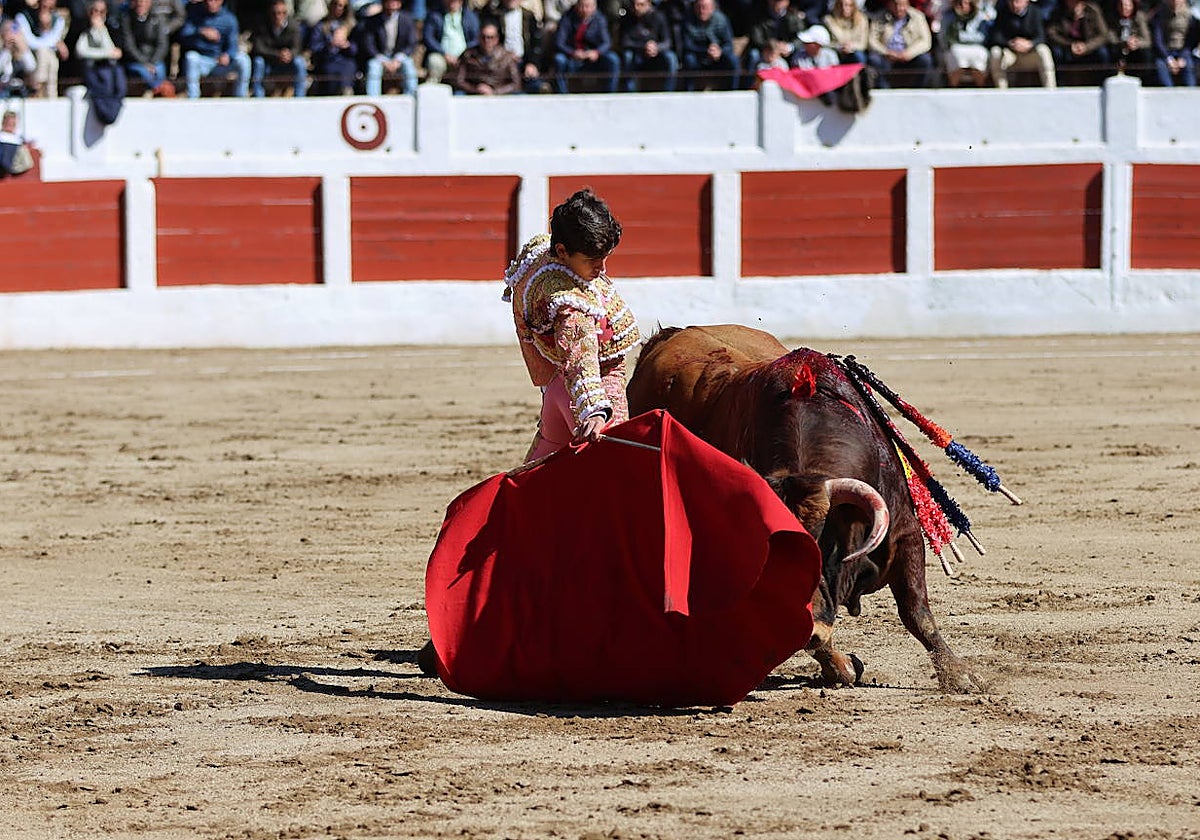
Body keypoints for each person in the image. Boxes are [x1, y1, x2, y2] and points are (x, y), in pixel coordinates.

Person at [502, 188, 641, 463]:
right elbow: (581, 359)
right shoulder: (569, 302)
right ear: (563, 251)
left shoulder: (540, 253)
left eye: (605, 257)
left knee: (534, 480)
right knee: (616, 476)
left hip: (556, 391)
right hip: (589, 394)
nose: (601, 268)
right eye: (591, 260)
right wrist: (595, 411)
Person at [179, 0, 251, 97]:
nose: (211, 3)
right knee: (191, 57)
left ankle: (241, 96)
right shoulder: (194, 14)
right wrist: (201, 31)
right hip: (202, 60)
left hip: (220, 63)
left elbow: (233, 44)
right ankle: (193, 97)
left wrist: (228, 55)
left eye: (215, 0)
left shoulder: (229, 19)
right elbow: (183, 33)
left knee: (243, 59)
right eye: (208, 0)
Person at [75, 0, 126, 122]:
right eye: (95, 11)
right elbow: (81, 51)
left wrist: (102, 30)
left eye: (102, 12)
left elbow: (113, 51)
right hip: (91, 70)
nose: (98, 15)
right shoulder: (82, 27)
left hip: (107, 70)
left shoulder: (111, 28)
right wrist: (106, 54)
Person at [552, 0, 619, 92]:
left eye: (587, 7)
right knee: (559, 59)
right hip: (572, 57)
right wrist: (572, 52)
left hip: (593, 57)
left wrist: (597, 52)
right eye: (582, 6)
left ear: (594, 7)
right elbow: (559, 42)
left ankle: (609, 94)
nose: (584, 10)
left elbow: (606, 42)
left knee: (613, 59)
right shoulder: (567, 18)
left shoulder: (600, 19)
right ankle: (562, 94)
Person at [987, 0, 1056, 87]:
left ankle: (1050, 89)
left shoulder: (1036, 12)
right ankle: (1002, 90)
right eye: (1011, 1)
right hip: (1010, 55)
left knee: (1043, 50)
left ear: (1026, 2)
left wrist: (1029, 44)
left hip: (1030, 54)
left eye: (1017, 1)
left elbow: (1041, 36)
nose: (1014, 4)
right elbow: (995, 37)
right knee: (995, 52)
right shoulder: (1002, 12)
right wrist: (1011, 43)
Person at [867, 0, 934, 87]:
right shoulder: (879, 17)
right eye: (895, 5)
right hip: (887, 57)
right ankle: (884, 90)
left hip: (909, 57)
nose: (899, 8)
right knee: (873, 59)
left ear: (907, 4)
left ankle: (918, 90)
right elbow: (872, 40)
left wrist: (909, 53)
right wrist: (886, 52)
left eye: (902, 5)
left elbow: (925, 41)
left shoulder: (918, 17)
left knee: (925, 59)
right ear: (889, 5)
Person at [483, 0, 544, 93]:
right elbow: (490, 41)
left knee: (535, 85)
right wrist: (506, 55)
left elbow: (536, 43)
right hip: (501, 63)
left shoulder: (528, 16)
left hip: (524, 61)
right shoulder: (494, 15)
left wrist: (532, 63)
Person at [360, 0, 418, 95]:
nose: (392, 4)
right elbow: (368, 44)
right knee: (373, 66)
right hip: (380, 57)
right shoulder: (372, 21)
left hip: (399, 56)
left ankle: (411, 96)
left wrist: (398, 59)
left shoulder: (407, 19)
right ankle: (374, 100)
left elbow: (412, 43)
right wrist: (383, 61)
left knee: (409, 66)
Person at [1045, 0, 1111, 84]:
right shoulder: (1058, 12)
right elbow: (1051, 33)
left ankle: (1102, 83)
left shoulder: (1093, 10)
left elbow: (1103, 35)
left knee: (1103, 53)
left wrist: (1087, 47)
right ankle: (1060, 84)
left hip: (1088, 46)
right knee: (1057, 53)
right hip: (1067, 46)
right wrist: (1070, 45)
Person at [618, 0, 677, 91]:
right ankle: (629, 91)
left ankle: (669, 92)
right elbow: (625, 41)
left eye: (641, 5)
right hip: (637, 53)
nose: (637, 8)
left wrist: (656, 47)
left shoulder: (659, 17)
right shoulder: (627, 18)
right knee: (627, 56)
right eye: (634, 5)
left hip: (657, 54)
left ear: (648, 4)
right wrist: (644, 46)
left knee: (671, 58)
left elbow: (667, 41)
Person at [251, 0, 307, 96]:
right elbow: (259, 47)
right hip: (270, 62)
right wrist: (277, 54)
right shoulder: (262, 26)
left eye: (281, 13)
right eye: (274, 13)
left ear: (286, 14)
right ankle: (258, 96)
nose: (278, 16)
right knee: (258, 62)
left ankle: (300, 97)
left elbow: (297, 48)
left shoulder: (293, 26)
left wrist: (289, 54)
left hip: (288, 63)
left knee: (300, 62)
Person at [679, 0, 737, 90]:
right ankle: (688, 92)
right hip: (698, 57)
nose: (702, 11)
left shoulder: (722, 20)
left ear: (712, 8)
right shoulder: (687, 21)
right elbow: (687, 45)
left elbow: (729, 44)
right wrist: (706, 50)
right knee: (688, 59)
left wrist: (719, 51)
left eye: (705, 7)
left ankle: (733, 92)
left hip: (718, 58)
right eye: (699, 7)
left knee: (733, 60)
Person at [449, 20, 521, 91]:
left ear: (496, 39)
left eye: (490, 37)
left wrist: (494, 92)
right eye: (483, 37)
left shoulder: (507, 57)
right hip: (473, 91)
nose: (487, 41)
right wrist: (475, 89)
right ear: (479, 38)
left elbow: (516, 83)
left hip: (499, 93)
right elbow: (459, 80)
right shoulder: (468, 55)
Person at [14, 0, 67, 97]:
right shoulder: (23, 17)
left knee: (48, 56)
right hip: (29, 58)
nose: (46, 10)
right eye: (44, 6)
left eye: (50, 8)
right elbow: (30, 42)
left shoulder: (59, 19)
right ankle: (39, 89)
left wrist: (46, 29)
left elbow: (55, 39)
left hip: (49, 58)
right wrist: (52, 41)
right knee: (43, 52)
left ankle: (49, 93)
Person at [118, 0, 171, 94]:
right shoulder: (127, 19)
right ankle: (159, 91)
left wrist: (152, 62)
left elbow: (162, 44)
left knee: (160, 70)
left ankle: (157, 92)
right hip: (136, 60)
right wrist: (144, 63)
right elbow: (129, 45)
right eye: (138, 2)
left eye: (144, 2)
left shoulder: (158, 18)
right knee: (145, 73)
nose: (141, 4)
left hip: (154, 59)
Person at [305, 0, 358, 94]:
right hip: (327, 60)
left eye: (341, 6)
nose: (338, 8)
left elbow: (356, 49)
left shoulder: (352, 26)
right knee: (329, 72)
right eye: (335, 4)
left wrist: (346, 45)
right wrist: (330, 45)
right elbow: (314, 47)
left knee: (348, 71)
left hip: (345, 60)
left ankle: (346, 93)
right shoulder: (320, 26)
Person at [423, 0, 480, 84]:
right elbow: (428, 38)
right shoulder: (434, 16)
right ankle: (432, 90)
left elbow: (476, 39)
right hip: (442, 56)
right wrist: (444, 54)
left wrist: (464, 55)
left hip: (465, 57)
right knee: (434, 61)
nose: (453, 3)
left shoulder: (470, 16)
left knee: (477, 63)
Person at [940, 0, 992, 86]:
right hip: (956, 47)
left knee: (980, 56)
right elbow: (945, 36)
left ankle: (980, 87)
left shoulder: (981, 16)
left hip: (977, 47)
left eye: (967, 3)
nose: (963, 6)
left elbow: (983, 36)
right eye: (960, 3)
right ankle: (953, 87)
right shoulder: (948, 16)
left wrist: (962, 37)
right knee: (956, 53)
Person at [744, 0, 805, 73]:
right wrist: (772, 47)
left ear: (787, 2)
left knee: (801, 55)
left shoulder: (793, 16)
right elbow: (756, 38)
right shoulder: (758, 16)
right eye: (774, 0)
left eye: (780, 0)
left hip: (787, 51)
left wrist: (790, 47)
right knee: (753, 55)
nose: (777, 3)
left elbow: (801, 38)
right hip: (765, 50)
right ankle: (750, 82)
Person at [1150, 0, 1196, 86]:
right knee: (1160, 66)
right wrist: (1169, 59)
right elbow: (1158, 39)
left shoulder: (1190, 16)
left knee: (1189, 67)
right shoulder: (1159, 14)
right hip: (1165, 52)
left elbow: (1191, 41)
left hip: (1183, 52)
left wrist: (1182, 57)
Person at [1105, 0, 1150, 77]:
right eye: (1122, 5)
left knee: (1146, 54)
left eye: (1127, 5)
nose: (1124, 8)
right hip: (1118, 48)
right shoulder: (1112, 18)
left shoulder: (1139, 17)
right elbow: (1110, 37)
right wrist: (1124, 43)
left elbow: (1147, 40)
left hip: (1135, 50)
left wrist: (1136, 43)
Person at [824, 0, 869, 64]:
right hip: (837, 50)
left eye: (849, 5)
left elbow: (863, 43)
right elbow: (826, 43)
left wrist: (852, 46)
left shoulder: (862, 20)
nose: (844, 8)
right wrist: (839, 47)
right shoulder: (829, 20)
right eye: (841, 5)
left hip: (854, 50)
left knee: (859, 56)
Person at [1, 16, 35, 96]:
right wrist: (6, 50)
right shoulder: (3, 50)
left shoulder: (23, 50)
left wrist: (23, 50)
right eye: (8, 32)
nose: (12, 37)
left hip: (21, 91)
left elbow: (31, 67)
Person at [0, 106, 33, 176]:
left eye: (13, 124)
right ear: (3, 123)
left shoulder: (18, 138)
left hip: (12, 165)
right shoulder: (2, 135)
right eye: (8, 123)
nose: (10, 126)